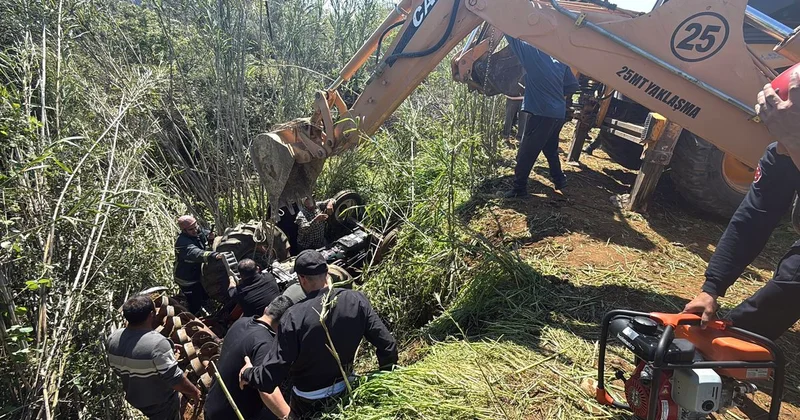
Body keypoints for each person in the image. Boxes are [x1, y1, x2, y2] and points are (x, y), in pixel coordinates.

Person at [683, 69, 800, 340]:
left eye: (792, 134)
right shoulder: (782, 153)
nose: (781, 147)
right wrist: (711, 288)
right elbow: (753, 219)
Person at [238, 250, 398, 419]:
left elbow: (270, 377)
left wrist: (248, 373)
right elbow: (388, 345)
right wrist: (384, 383)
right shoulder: (356, 299)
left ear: (302, 279)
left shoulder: (293, 316)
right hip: (349, 389)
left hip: (309, 403)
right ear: (327, 273)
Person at [503, 36, 578, 197]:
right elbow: (573, 85)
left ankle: (519, 189)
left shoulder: (532, 53)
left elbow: (511, 37)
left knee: (526, 152)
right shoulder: (559, 60)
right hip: (558, 114)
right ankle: (559, 180)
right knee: (550, 148)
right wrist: (557, 96)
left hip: (541, 113)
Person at [107, 295, 201, 420]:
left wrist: (164, 352)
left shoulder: (113, 338)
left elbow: (121, 366)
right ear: (151, 314)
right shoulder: (158, 344)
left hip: (135, 398)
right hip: (160, 404)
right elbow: (175, 379)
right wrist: (194, 392)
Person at [205, 296, 295, 420]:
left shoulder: (241, 322)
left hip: (213, 404)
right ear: (284, 324)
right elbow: (266, 390)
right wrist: (288, 416)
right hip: (232, 414)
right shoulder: (266, 345)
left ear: (266, 309)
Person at [174, 215, 223, 314]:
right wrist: (213, 255)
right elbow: (197, 254)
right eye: (191, 229)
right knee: (195, 302)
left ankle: (206, 306)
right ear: (184, 231)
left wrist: (211, 237)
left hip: (199, 274)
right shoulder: (182, 243)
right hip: (187, 279)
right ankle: (192, 316)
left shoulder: (197, 231)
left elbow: (204, 233)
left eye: (195, 227)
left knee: (205, 295)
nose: (195, 230)